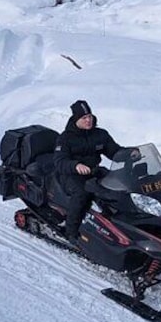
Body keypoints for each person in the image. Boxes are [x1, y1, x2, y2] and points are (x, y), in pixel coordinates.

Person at [53, 100, 125, 243]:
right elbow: (59, 161)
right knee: (82, 193)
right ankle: (71, 231)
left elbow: (114, 151)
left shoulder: (100, 134)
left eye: (90, 116)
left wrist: (129, 154)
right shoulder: (65, 138)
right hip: (71, 175)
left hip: (93, 171)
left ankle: (118, 226)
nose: (88, 120)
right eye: (84, 118)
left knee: (118, 185)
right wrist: (76, 165)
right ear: (76, 119)